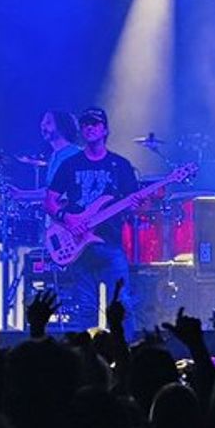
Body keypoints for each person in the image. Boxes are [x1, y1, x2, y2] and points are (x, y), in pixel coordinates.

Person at [46, 106, 140, 297]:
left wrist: (134, 206)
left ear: (105, 130)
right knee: (86, 310)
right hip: (79, 246)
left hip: (111, 243)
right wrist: (66, 218)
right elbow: (49, 201)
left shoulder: (120, 165)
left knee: (121, 307)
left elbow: (133, 204)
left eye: (95, 124)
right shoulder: (70, 164)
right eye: (85, 124)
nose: (89, 128)